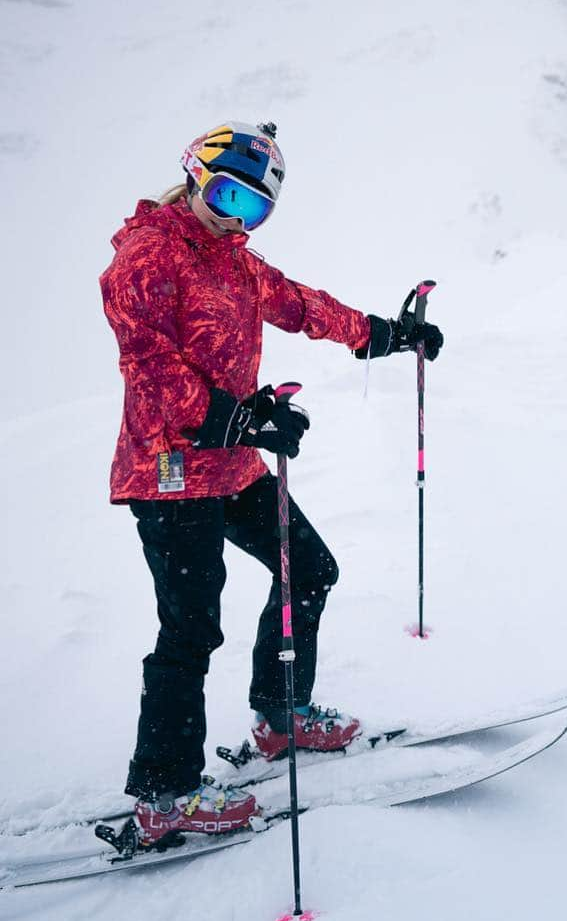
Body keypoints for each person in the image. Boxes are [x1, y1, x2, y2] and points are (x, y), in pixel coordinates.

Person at [99, 121, 443, 846]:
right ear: (194, 175)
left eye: (252, 209)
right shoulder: (147, 255)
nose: (232, 217)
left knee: (310, 568)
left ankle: (281, 715)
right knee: (190, 626)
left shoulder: (234, 262)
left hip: (232, 463)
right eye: (225, 194)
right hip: (168, 467)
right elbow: (149, 368)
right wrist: (236, 420)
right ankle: (164, 794)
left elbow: (301, 305)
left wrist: (385, 334)